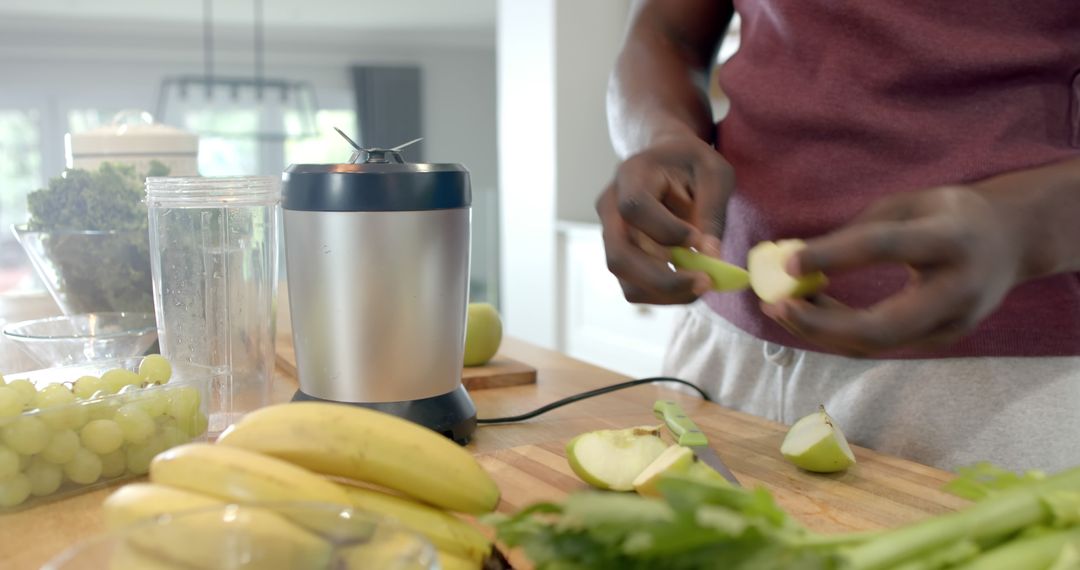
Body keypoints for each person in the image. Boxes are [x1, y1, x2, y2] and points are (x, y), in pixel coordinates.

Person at [597, 0, 1080, 473]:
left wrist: (1024, 226)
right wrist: (657, 137)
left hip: (1001, 382)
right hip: (723, 348)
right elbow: (667, 32)